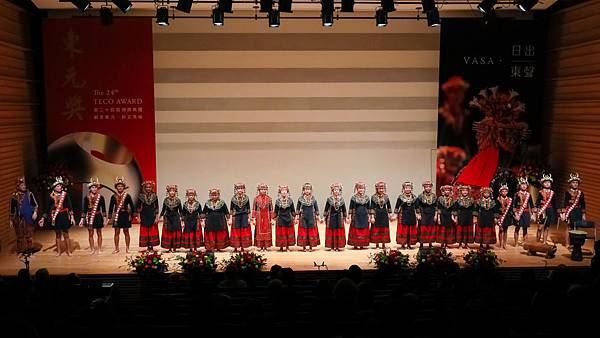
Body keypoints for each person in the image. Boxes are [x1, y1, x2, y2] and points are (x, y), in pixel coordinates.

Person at [39, 176, 75, 256]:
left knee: (66, 234)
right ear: (54, 187)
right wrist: (43, 218)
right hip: (56, 217)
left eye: (61, 186)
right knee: (58, 234)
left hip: (64, 216)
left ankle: (68, 251)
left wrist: (72, 217)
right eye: (58, 186)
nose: (60, 187)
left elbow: (69, 206)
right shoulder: (50, 196)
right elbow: (47, 208)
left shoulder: (65, 195)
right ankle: (59, 251)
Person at [9, 177, 38, 252]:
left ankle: (30, 249)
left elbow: (35, 204)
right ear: (18, 187)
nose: (24, 186)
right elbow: (12, 209)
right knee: (20, 236)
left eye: (24, 185)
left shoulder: (29, 194)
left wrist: (35, 212)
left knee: (29, 235)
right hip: (18, 219)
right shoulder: (14, 196)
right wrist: (11, 220)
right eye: (22, 185)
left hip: (28, 217)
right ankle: (21, 250)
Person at [79, 177, 106, 255]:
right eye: (93, 187)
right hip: (89, 217)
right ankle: (92, 249)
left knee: (99, 232)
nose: (94, 189)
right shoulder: (86, 197)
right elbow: (84, 209)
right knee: (90, 233)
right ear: (90, 188)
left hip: (98, 216)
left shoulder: (101, 197)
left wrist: (105, 219)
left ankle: (99, 248)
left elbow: (103, 209)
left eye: (95, 187)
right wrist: (82, 219)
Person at [108, 176, 135, 253]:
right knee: (116, 232)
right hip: (117, 216)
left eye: (121, 186)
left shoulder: (127, 196)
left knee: (126, 231)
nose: (120, 187)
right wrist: (109, 217)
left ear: (124, 187)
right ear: (116, 187)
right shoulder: (113, 196)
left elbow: (132, 206)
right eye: (118, 186)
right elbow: (110, 207)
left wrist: (133, 215)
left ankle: (127, 248)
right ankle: (116, 248)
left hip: (125, 215)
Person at [561, 173, 586, 246]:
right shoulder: (567, 192)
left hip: (578, 211)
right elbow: (565, 202)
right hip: (570, 211)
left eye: (576, 183)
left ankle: (574, 243)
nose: (575, 184)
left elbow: (583, 204)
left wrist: (583, 214)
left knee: (576, 227)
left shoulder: (581, 193)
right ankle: (567, 243)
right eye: (573, 182)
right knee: (569, 226)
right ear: (570, 184)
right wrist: (564, 213)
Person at [296, 183, 321, 251]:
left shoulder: (313, 199)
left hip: (311, 217)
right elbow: (298, 209)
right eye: (306, 189)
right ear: (303, 190)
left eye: (309, 189)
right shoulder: (300, 199)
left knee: (311, 231)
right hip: (303, 217)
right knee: (303, 231)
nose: (307, 191)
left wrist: (319, 217)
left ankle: (311, 247)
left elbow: (316, 209)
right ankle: (304, 247)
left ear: (311, 190)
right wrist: (297, 217)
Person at [136, 180, 160, 251]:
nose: (148, 188)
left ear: (152, 188)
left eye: (150, 187)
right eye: (147, 187)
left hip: (152, 215)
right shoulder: (141, 196)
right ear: (144, 188)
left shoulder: (154, 196)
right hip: (144, 215)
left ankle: (151, 246)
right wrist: (138, 217)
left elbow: (157, 207)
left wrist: (157, 217)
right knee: (145, 231)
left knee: (152, 231)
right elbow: (138, 208)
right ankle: (147, 246)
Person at [324, 183, 347, 251]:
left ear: (340, 191)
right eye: (335, 190)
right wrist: (323, 217)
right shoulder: (329, 199)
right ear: (332, 191)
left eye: (338, 190)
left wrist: (346, 217)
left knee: (338, 231)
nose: (336, 191)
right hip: (331, 217)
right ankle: (331, 246)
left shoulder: (342, 199)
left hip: (339, 217)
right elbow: (326, 208)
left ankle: (337, 246)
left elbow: (344, 209)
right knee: (332, 230)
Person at [369, 181, 393, 249]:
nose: (381, 190)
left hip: (384, 214)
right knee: (376, 229)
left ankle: (383, 244)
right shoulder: (373, 197)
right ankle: (377, 244)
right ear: (377, 188)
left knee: (384, 229)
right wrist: (372, 217)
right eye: (379, 188)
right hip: (377, 214)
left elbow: (389, 206)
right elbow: (372, 208)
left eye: (382, 188)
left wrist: (390, 215)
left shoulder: (386, 197)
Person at [395, 181, 418, 249]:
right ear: (403, 189)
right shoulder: (400, 197)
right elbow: (397, 206)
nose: (408, 189)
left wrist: (418, 214)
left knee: (410, 229)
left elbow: (417, 207)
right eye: (406, 188)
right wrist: (395, 214)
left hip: (411, 215)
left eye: (409, 188)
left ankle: (409, 244)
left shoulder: (414, 197)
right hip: (403, 215)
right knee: (403, 229)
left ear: (411, 188)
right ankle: (403, 244)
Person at [229, 183, 252, 252]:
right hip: (236, 216)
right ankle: (235, 247)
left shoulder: (246, 198)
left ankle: (243, 247)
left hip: (244, 216)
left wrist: (249, 218)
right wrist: (230, 219)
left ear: (244, 189)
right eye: (238, 188)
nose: (240, 190)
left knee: (244, 231)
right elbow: (231, 209)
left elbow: (248, 209)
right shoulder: (233, 199)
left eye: (241, 188)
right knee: (236, 231)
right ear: (236, 190)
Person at [347, 181, 370, 249]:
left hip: (364, 216)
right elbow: (350, 208)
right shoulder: (353, 198)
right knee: (355, 229)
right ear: (356, 189)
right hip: (356, 216)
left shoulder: (367, 198)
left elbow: (369, 208)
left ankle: (362, 244)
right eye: (359, 188)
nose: (361, 190)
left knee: (364, 229)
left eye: (362, 188)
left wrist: (370, 216)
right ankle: (355, 244)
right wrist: (349, 217)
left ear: (364, 189)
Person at [513, 177, 536, 247]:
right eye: (522, 184)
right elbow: (513, 205)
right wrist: (516, 214)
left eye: (525, 184)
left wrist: (533, 214)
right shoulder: (516, 194)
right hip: (518, 213)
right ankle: (516, 243)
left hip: (526, 213)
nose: (524, 186)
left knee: (525, 228)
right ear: (519, 186)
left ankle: (524, 243)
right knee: (517, 228)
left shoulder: (528, 195)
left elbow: (532, 205)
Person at [536, 174, 558, 245]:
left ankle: (544, 242)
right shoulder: (540, 192)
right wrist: (536, 210)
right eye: (546, 182)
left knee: (547, 227)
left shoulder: (552, 193)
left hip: (550, 211)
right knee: (540, 227)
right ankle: (537, 242)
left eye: (549, 182)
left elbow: (555, 204)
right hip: (542, 211)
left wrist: (557, 213)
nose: (547, 183)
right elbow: (537, 202)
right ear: (542, 184)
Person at [160, 184, 183, 252]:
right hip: (168, 217)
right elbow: (163, 210)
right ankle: (169, 247)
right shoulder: (165, 200)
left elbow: (180, 210)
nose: (172, 192)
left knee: (175, 232)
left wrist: (182, 218)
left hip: (176, 217)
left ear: (175, 192)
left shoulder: (178, 200)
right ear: (168, 192)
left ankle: (175, 247)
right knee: (169, 232)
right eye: (170, 191)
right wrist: (159, 217)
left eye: (173, 191)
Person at [273, 185, 296, 252]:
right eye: (282, 191)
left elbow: (292, 210)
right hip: (280, 219)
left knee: (288, 233)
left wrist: (295, 217)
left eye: (285, 191)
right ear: (280, 192)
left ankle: (287, 247)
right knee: (281, 233)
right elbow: (276, 211)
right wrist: (273, 219)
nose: (284, 192)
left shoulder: (290, 201)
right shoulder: (277, 201)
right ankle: (281, 247)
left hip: (288, 219)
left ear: (287, 192)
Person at [253, 183, 273, 251]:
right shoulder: (256, 199)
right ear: (259, 190)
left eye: (264, 189)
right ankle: (261, 246)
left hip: (267, 216)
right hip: (259, 217)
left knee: (267, 230)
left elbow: (271, 209)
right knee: (259, 231)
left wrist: (272, 218)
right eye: (261, 189)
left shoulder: (269, 199)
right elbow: (254, 209)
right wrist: (254, 219)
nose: (263, 190)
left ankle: (266, 246)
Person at [417, 180, 437, 248]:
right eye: (426, 187)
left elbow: (436, 206)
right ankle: (421, 243)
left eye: (429, 187)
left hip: (431, 213)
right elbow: (418, 206)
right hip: (423, 214)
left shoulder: (434, 196)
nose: (428, 188)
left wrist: (436, 215)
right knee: (423, 228)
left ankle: (430, 243)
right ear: (424, 187)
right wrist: (418, 214)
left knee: (431, 228)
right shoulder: (420, 196)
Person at [456, 184, 475, 249]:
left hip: (468, 216)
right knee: (460, 231)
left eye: (466, 190)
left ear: (468, 191)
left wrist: (474, 218)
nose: (465, 192)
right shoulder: (458, 199)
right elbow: (456, 208)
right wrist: (455, 217)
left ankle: (466, 244)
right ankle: (460, 244)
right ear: (461, 191)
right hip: (461, 216)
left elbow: (473, 209)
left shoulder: (471, 199)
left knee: (467, 231)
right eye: (463, 190)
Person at [496, 183, 513, 249]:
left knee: (505, 230)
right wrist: (496, 217)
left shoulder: (509, 199)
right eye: (503, 191)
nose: (504, 192)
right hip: (500, 216)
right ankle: (500, 244)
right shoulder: (498, 199)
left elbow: (511, 208)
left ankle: (504, 244)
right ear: (500, 192)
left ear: (507, 192)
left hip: (507, 216)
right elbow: (496, 209)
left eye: (505, 191)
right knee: (501, 229)